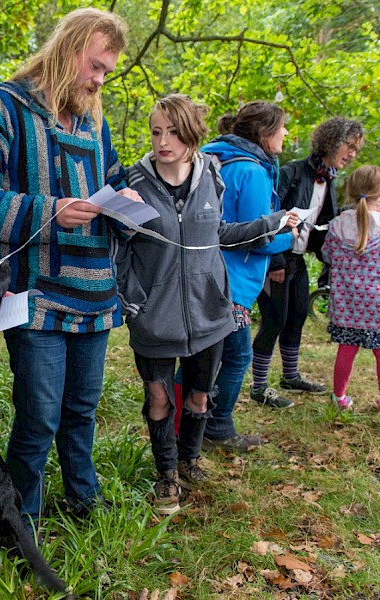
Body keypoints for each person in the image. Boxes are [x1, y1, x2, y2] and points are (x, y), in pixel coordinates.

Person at [0, 8, 141, 526]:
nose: (100, 79)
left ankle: (85, 500)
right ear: (69, 48)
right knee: (39, 418)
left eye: (107, 71)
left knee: (82, 413)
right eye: (97, 66)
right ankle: (21, 522)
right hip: (33, 296)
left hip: (96, 296)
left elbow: (113, 180)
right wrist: (49, 211)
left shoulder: (92, 121)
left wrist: (127, 201)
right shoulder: (5, 106)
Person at [115, 94, 299, 514]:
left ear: (192, 134)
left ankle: (190, 458)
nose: (163, 142)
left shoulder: (212, 175)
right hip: (155, 318)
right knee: (160, 399)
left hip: (209, 312)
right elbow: (120, 247)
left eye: (173, 132)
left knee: (200, 396)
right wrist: (132, 300)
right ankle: (166, 475)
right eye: (156, 131)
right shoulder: (134, 183)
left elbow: (219, 232)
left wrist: (273, 222)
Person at [199, 101, 295, 450]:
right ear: (265, 133)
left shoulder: (214, 157)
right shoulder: (251, 170)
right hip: (233, 282)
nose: (286, 133)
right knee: (236, 356)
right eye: (282, 127)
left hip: (203, 274)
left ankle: (183, 422)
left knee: (204, 356)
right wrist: (292, 234)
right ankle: (216, 428)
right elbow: (258, 237)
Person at [250, 118, 364, 400]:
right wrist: (275, 260)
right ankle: (259, 387)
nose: (351, 154)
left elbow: (325, 224)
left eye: (356, 150)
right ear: (332, 141)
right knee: (273, 320)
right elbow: (271, 214)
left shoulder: (330, 178)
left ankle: (290, 376)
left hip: (298, 260)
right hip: (277, 258)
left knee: (298, 315)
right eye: (349, 147)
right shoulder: (293, 172)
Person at [322, 166, 380, 415]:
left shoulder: (337, 225)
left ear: (350, 191)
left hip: (347, 303)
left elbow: (327, 255)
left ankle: (339, 397)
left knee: (346, 350)